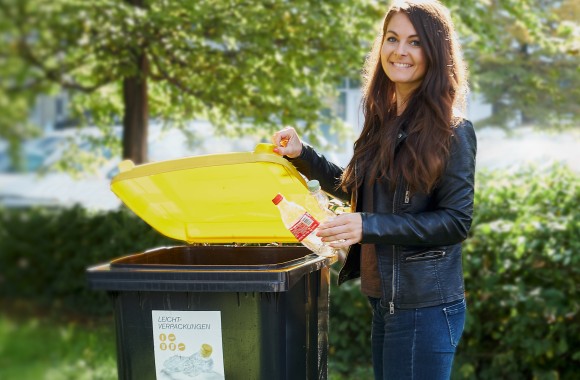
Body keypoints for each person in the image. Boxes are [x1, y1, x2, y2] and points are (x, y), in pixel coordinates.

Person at [271, 0, 476, 379]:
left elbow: (455, 222)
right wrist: (303, 155)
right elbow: (354, 191)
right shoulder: (383, 121)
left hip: (424, 306)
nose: (400, 51)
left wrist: (368, 226)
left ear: (435, 51)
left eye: (414, 42)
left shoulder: (453, 130)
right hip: (387, 300)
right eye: (392, 38)